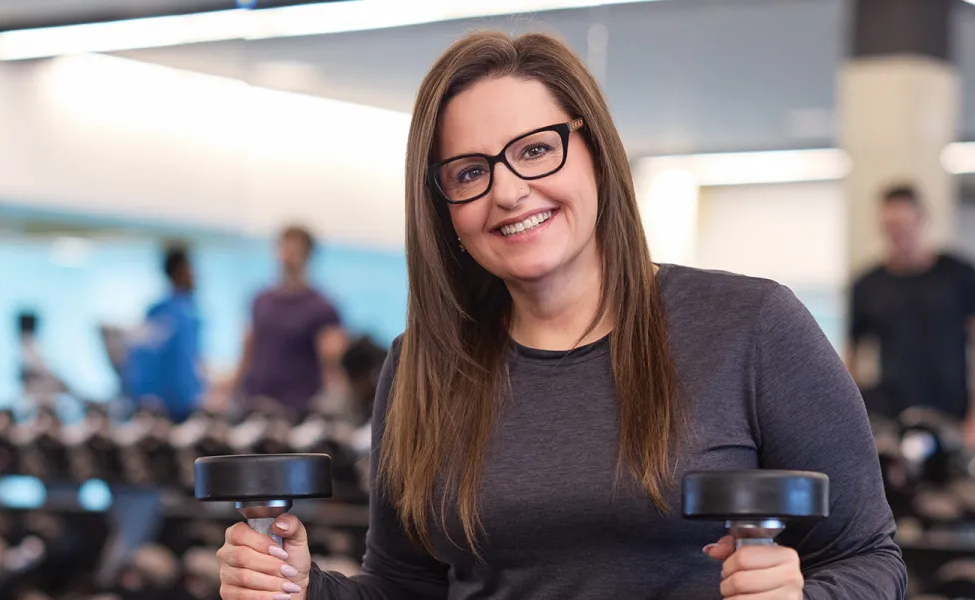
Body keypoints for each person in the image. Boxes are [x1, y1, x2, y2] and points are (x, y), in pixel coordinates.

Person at [217, 31, 902, 599]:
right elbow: (406, 587)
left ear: (596, 154)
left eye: (536, 149)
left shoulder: (752, 327)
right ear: (445, 211)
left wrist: (804, 597)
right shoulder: (423, 365)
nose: (510, 192)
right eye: (468, 172)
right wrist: (299, 586)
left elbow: (871, 561)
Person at [846, 185, 975, 429]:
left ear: (923, 219)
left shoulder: (958, 275)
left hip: (953, 413)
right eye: (891, 227)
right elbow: (852, 357)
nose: (899, 235)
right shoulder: (867, 285)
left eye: (905, 225)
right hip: (891, 415)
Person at [235, 226, 348, 419]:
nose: (288, 256)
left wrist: (336, 407)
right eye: (285, 248)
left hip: (296, 411)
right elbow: (247, 351)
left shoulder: (322, 307)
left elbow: (332, 365)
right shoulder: (261, 300)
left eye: (295, 250)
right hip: (254, 404)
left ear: (308, 256)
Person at [123, 245, 204, 422]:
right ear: (180, 271)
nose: (195, 275)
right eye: (190, 269)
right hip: (166, 407)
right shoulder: (162, 311)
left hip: (185, 403)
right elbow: (142, 358)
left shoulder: (189, 312)